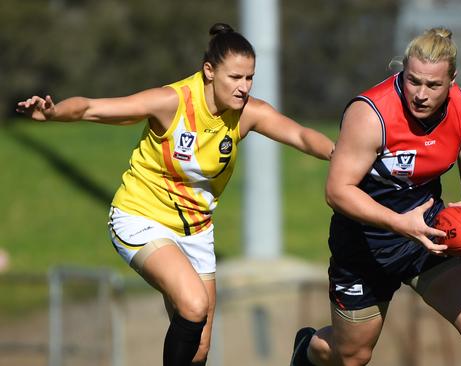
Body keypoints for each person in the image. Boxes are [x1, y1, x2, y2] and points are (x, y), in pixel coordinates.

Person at [17, 23, 335, 366]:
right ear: (209, 71)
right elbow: (91, 107)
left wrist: (344, 154)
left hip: (197, 230)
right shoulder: (172, 102)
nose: (244, 88)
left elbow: (301, 136)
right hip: (141, 217)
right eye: (235, 77)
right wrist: (52, 112)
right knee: (194, 305)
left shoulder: (248, 113)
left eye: (249, 78)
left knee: (198, 351)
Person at [290, 27, 461, 366]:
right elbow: (337, 190)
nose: (421, 94)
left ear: (452, 81)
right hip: (366, 248)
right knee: (351, 355)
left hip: (431, 235)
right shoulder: (371, 114)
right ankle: (308, 350)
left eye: (433, 85)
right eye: (413, 81)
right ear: (402, 72)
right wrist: (398, 223)